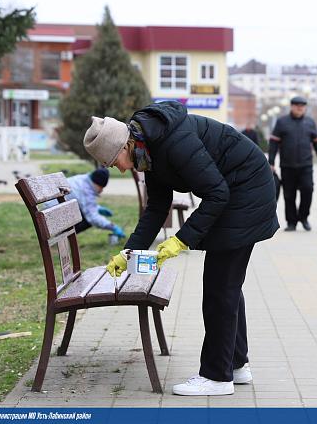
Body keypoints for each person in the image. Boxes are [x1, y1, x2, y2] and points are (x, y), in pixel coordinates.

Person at [83, 101, 279, 396]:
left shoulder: (172, 142)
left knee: (219, 287)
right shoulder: (148, 150)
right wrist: (129, 251)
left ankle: (216, 376)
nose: (119, 170)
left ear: (125, 147)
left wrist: (181, 239)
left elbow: (216, 194)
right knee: (225, 285)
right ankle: (235, 365)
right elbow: (157, 206)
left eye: (114, 163)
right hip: (234, 191)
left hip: (246, 191)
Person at [268, 96, 317, 232]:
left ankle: (304, 217)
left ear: (305, 108)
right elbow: (273, 143)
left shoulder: (310, 122)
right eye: (297, 106)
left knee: (308, 190)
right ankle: (291, 222)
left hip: (306, 165)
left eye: (302, 106)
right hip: (287, 165)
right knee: (289, 195)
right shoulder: (282, 122)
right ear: (291, 107)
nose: (300, 108)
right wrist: (271, 162)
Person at [46, 168, 125, 237]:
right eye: (101, 188)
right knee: (88, 220)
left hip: (50, 210)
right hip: (53, 218)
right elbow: (92, 217)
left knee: (85, 213)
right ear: (97, 184)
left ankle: (63, 235)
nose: (101, 191)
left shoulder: (83, 179)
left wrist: (98, 208)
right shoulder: (86, 190)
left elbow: (83, 203)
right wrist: (113, 227)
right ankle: (64, 236)